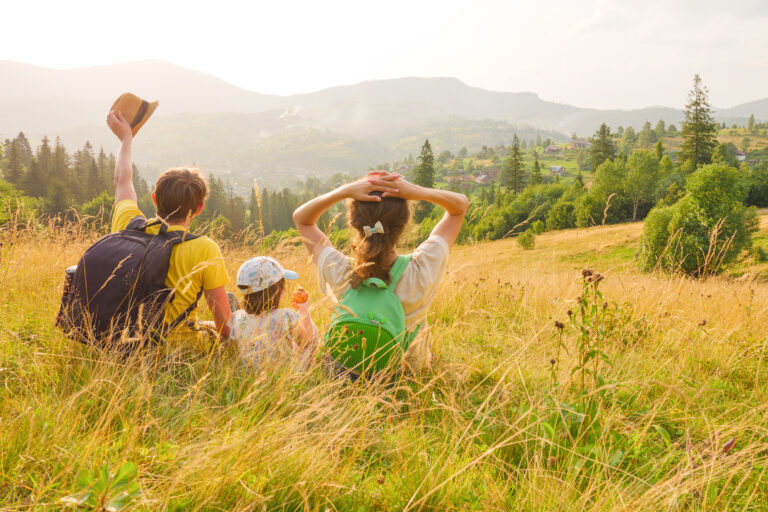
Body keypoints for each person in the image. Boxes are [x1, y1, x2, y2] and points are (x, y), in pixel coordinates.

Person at [292, 171, 469, 373]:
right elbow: (460, 206)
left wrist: (344, 192)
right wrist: (416, 191)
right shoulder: (422, 268)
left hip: (347, 369)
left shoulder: (339, 270)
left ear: (353, 222)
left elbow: (301, 219)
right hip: (404, 375)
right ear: (404, 222)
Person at [106, 110, 232, 346]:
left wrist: (126, 140)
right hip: (182, 354)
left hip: (128, 345)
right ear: (199, 208)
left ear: (154, 199)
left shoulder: (129, 226)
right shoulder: (205, 249)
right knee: (231, 309)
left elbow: (122, 180)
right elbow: (225, 327)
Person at [227, 256, 317, 368]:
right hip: (284, 377)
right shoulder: (286, 315)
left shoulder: (237, 318)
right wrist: (304, 311)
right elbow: (306, 342)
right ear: (277, 290)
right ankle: (309, 368)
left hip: (251, 376)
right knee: (312, 331)